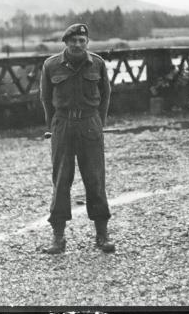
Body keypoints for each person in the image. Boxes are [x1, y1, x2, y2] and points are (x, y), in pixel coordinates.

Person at [39, 23, 114, 254]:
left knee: (95, 179)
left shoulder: (98, 63)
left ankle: (102, 235)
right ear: (66, 42)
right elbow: (45, 98)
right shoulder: (51, 65)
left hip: (90, 124)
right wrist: (53, 125)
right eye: (73, 41)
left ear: (87, 42)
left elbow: (105, 95)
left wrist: (98, 123)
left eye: (82, 41)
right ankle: (58, 238)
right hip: (63, 125)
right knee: (61, 180)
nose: (78, 45)